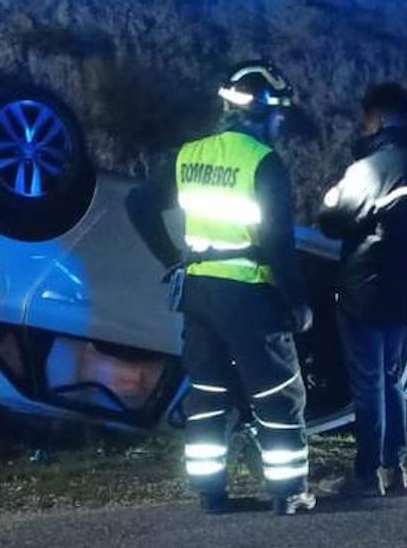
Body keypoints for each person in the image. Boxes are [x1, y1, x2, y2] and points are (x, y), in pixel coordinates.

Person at [127, 61, 316, 516]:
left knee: (208, 393)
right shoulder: (263, 163)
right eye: (279, 115)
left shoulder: (190, 156)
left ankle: (211, 494)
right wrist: (297, 303)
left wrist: (173, 259)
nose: (281, 125)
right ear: (261, 112)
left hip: (199, 291)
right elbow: (277, 244)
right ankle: (289, 491)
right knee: (278, 393)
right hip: (249, 294)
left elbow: (139, 203)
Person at [317, 83, 407, 496]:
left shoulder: (370, 170)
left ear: (377, 119)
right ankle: (396, 468)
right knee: (393, 378)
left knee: (368, 384)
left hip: (362, 291)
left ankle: (366, 473)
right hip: (405, 290)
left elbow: (332, 220)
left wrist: (330, 201)